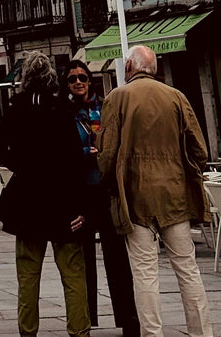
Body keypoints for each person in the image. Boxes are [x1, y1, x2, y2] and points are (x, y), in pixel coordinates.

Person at [98, 43, 214, 337]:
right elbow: (199, 149)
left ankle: (152, 334)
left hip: (134, 197)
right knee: (188, 270)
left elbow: (107, 154)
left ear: (128, 68)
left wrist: (106, 174)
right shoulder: (176, 97)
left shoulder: (116, 98)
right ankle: (202, 333)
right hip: (174, 195)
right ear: (155, 69)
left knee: (144, 273)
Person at [0, 52, 90, 337]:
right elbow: (75, 160)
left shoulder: (17, 108)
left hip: (27, 202)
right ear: (51, 78)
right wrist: (80, 205)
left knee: (28, 273)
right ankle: (79, 330)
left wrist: (20, 165)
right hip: (62, 203)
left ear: (25, 78)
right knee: (73, 273)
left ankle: (28, 331)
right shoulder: (62, 109)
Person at [64, 59, 139, 337]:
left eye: (82, 77)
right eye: (72, 79)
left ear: (90, 79)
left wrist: (105, 152)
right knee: (82, 262)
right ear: (67, 83)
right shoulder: (64, 112)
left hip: (107, 191)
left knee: (118, 259)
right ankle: (85, 320)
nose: (78, 82)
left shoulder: (106, 107)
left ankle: (129, 320)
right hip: (81, 193)